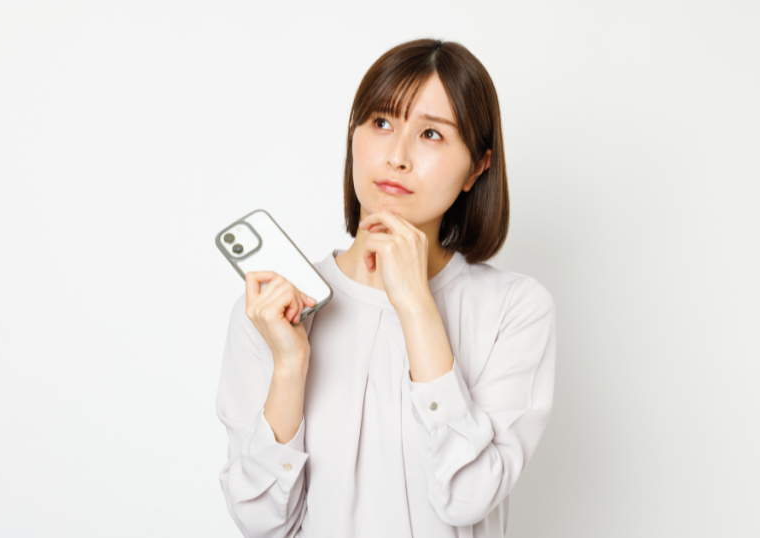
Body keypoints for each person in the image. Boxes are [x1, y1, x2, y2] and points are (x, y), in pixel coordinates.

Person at [216, 38, 557, 538]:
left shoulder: (515, 310)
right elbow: (261, 523)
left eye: (432, 134)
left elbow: (466, 498)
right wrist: (289, 365)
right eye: (381, 123)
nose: (397, 156)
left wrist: (416, 304)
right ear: (353, 135)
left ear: (477, 167)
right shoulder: (273, 311)